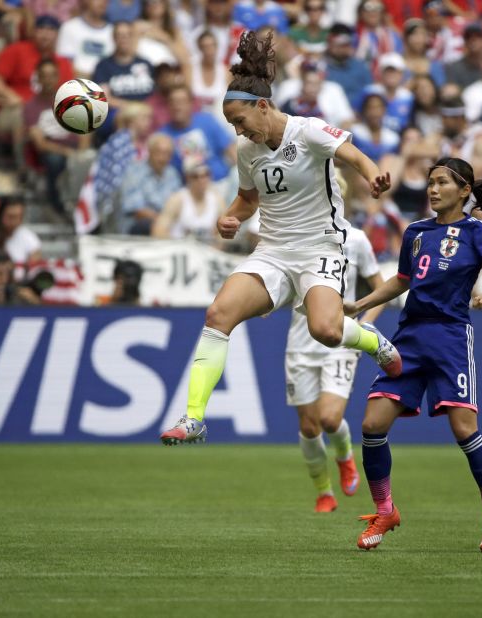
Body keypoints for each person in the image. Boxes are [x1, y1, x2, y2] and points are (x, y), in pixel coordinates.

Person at [159, 30, 399, 446]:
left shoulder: (308, 132)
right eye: (232, 124)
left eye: (240, 121)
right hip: (272, 251)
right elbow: (247, 201)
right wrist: (228, 219)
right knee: (218, 315)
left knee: (327, 329)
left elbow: (354, 155)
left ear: (263, 107)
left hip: (321, 246)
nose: (237, 132)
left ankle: (375, 342)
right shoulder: (248, 153)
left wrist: (373, 174)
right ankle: (194, 418)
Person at [342, 157, 482, 552]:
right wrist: (361, 304)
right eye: (430, 182)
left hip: (450, 337)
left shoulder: (480, 230)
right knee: (372, 424)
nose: (433, 189)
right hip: (409, 337)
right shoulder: (416, 232)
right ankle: (385, 510)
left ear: (464, 190)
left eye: (442, 182)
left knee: (463, 429)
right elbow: (403, 281)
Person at [287, 224, 384, 513]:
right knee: (308, 426)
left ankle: (344, 455)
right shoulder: (296, 234)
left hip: (340, 341)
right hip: (300, 345)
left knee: (329, 419)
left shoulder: (356, 239)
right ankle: (324, 493)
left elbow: (381, 287)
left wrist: (366, 322)